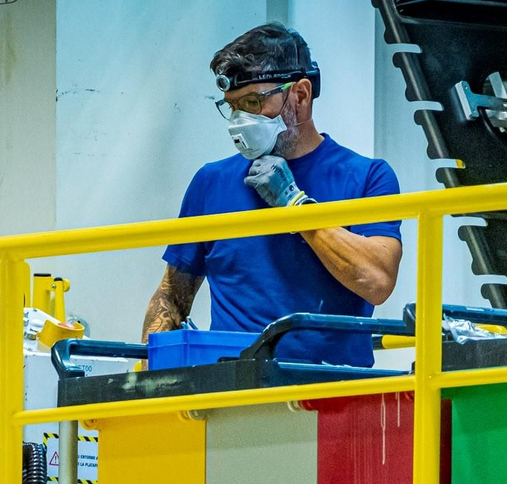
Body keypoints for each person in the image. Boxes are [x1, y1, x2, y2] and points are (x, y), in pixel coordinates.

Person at [141, 23, 403, 367]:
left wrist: (296, 207)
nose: (239, 120)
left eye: (253, 102)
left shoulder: (366, 176)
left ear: (301, 95)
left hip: (333, 394)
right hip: (235, 394)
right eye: (232, 106)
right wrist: (149, 379)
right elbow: (172, 297)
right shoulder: (211, 183)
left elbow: (378, 282)